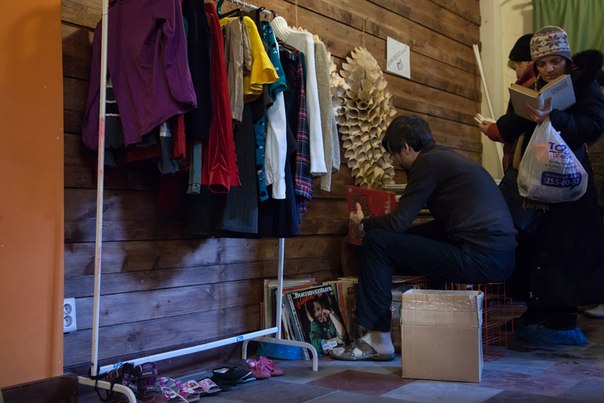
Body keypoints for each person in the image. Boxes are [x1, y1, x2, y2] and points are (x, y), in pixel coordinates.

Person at [330, 115, 517, 361]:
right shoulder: (444, 159)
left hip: (481, 258)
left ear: (407, 147)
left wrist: (364, 223)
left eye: (395, 156)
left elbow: (398, 222)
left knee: (376, 242)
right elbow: (421, 227)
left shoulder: (426, 163)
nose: (397, 163)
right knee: (395, 237)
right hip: (501, 256)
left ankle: (377, 339)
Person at [495, 26, 604, 345]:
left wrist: (552, 117)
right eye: (541, 63)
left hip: (569, 184)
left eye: (555, 61)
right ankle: (537, 313)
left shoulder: (583, 85)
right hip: (535, 185)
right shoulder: (532, 88)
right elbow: (507, 128)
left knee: (564, 250)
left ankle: (563, 321)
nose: (548, 69)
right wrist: (524, 113)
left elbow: (592, 125)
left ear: (567, 59)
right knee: (533, 248)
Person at [478, 33, 536, 171]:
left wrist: (493, 129)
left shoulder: (529, 87)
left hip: (525, 164)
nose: (516, 74)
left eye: (516, 68)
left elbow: (516, 124)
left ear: (526, 62)